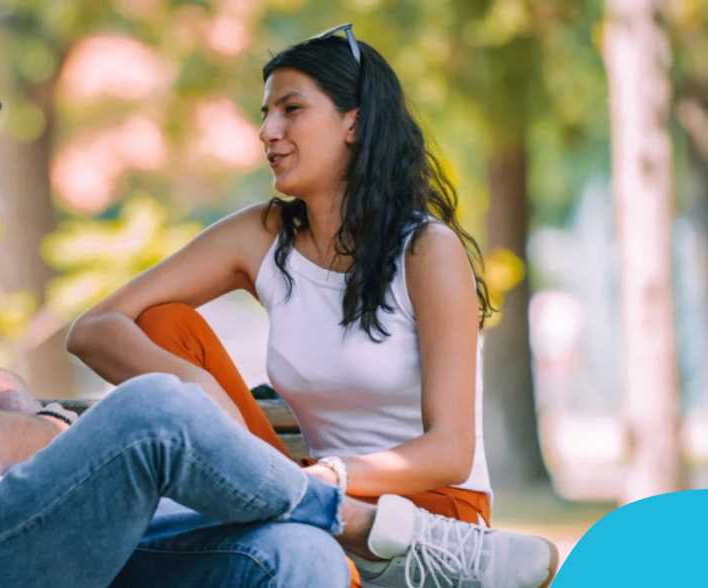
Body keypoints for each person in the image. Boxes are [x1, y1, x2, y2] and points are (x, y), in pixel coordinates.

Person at [0, 25, 556, 588]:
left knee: (296, 562)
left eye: (291, 110)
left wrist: (23, 406)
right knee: (158, 411)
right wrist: (67, 431)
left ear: (354, 124)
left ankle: (344, 528)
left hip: (29, 534)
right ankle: (358, 523)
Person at [68, 24, 557, 587]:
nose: (267, 131)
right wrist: (193, 388)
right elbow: (95, 328)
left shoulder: (426, 250)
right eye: (265, 113)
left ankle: (332, 522)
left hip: (422, 513)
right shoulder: (262, 235)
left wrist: (330, 477)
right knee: (161, 324)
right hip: (304, 492)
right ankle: (318, 517)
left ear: (355, 121)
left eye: (291, 109)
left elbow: (450, 451)